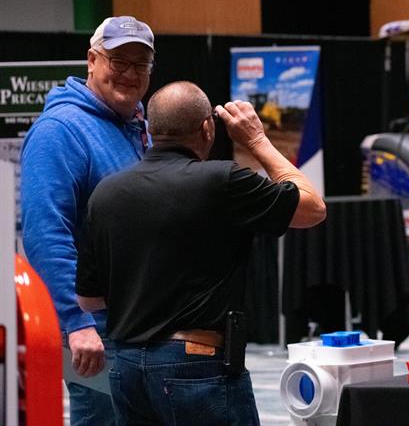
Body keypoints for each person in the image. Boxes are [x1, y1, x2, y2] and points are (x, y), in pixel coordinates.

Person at [75, 82, 326, 424]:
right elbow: (312, 208)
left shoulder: (106, 193)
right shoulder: (222, 180)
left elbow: (89, 300)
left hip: (127, 367)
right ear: (207, 128)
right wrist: (257, 140)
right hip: (197, 362)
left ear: (150, 129)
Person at [20, 15, 155, 424]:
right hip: (92, 331)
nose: (129, 73)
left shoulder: (137, 125)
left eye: (140, 64)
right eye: (118, 61)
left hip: (137, 325)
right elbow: (45, 233)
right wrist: (75, 323)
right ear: (92, 61)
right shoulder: (58, 131)